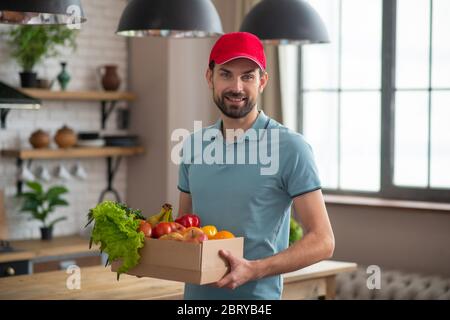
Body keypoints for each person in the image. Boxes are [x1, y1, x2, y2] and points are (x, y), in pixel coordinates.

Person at [177, 32, 335, 300]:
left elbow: (323, 240)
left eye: (247, 76)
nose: (236, 87)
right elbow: (183, 229)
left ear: (262, 81)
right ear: (209, 78)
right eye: (226, 74)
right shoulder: (193, 146)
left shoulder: (291, 148)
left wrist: (254, 269)